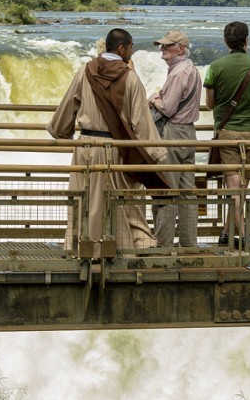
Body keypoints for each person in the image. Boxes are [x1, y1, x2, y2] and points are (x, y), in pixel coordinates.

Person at [47, 28, 168, 256]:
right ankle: (121, 249)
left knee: (83, 200)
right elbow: (141, 121)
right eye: (131, 48)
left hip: (85, 148)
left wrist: (60, 131)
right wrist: (157, 154)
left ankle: (79, 246)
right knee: (121, 202)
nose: (132, 53)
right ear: (121, 48)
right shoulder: (130, 77)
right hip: (115, 149)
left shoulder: (85, 71)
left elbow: (68, 104)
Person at [204, 21, 250, 248]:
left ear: (225, 41)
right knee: (241, 186)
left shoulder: (215, 66)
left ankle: (243, 237)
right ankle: (227, 232)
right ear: (247, 40)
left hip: (228, 132)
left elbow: (209, 104)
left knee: (234, 187)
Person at [147, 31, 201, 248]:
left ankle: (164, 245)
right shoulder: (191, 69)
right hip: (188, 133)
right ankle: (189, 245)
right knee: (188, 193)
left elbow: (168, 108)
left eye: (167, 47)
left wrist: (154, 98)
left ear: (180, 48)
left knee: (167, 191)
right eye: (161, 46)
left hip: (174, 133)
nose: (162, 51)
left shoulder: (178, 73)